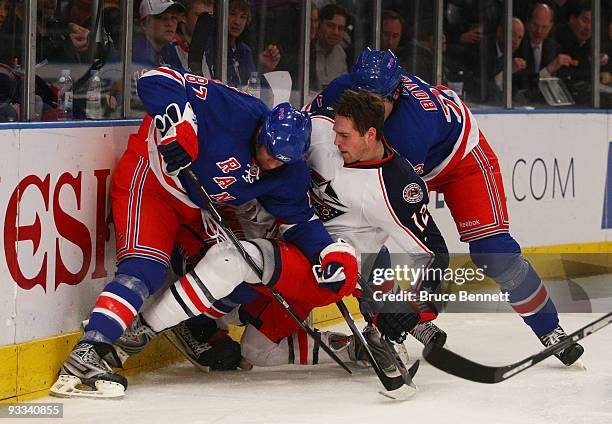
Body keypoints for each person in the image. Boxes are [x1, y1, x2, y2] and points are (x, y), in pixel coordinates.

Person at [49, 65, 358, 398]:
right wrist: (178, 122)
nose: (270, 161)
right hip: (152, 180)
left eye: (281, 159)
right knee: (145, 270)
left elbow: (299, 223)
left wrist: (326, 251)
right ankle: (86, 355)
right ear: (263, 128)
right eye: (267, 149)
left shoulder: (288, 171)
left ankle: (190, 325)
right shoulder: (234, 108)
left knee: (235, 272)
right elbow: (157, 78)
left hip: (199, 209)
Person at [102, 89, 449, 373]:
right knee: (256, 351)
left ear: (370, 134)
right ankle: (352, 346)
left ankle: (158, 327)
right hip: (281, 237)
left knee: (228, 262)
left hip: (321, 265)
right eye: (335, 131)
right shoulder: (316, 129)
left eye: (345, 136)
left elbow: (433, 253)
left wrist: (414, 309)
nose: (335, 140)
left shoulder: (397, 187)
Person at [307, 48, 585, 367]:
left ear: (396, 94)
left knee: (494, 252)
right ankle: (398, 318)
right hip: (408, 164)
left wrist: (419, 302)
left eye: (377, 101)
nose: (366, 108)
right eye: (360, 95)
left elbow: (419, 231)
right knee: (365, 235)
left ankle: (551, 329)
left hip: (461, 159)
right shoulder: (343, 90)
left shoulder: (412, 130)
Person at [207, 0, 280, 89]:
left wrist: (264, 69)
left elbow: (254, 91)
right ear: (222, 14)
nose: (237, 22)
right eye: (232, 14)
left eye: (243, 17)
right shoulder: (210, 46)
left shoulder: (245, 51)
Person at [556, 0, 609, 105]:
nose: (588, 28)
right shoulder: (558, 38)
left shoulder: (594, 41)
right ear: (572, 19)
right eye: (584, 20)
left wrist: (603, 60)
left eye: (592, 23)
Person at [313, 4, 349, 91]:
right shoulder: (308, 50)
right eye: (330, 26)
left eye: (340, 28)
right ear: (319, 24)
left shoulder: (340, 53)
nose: (335, 32)